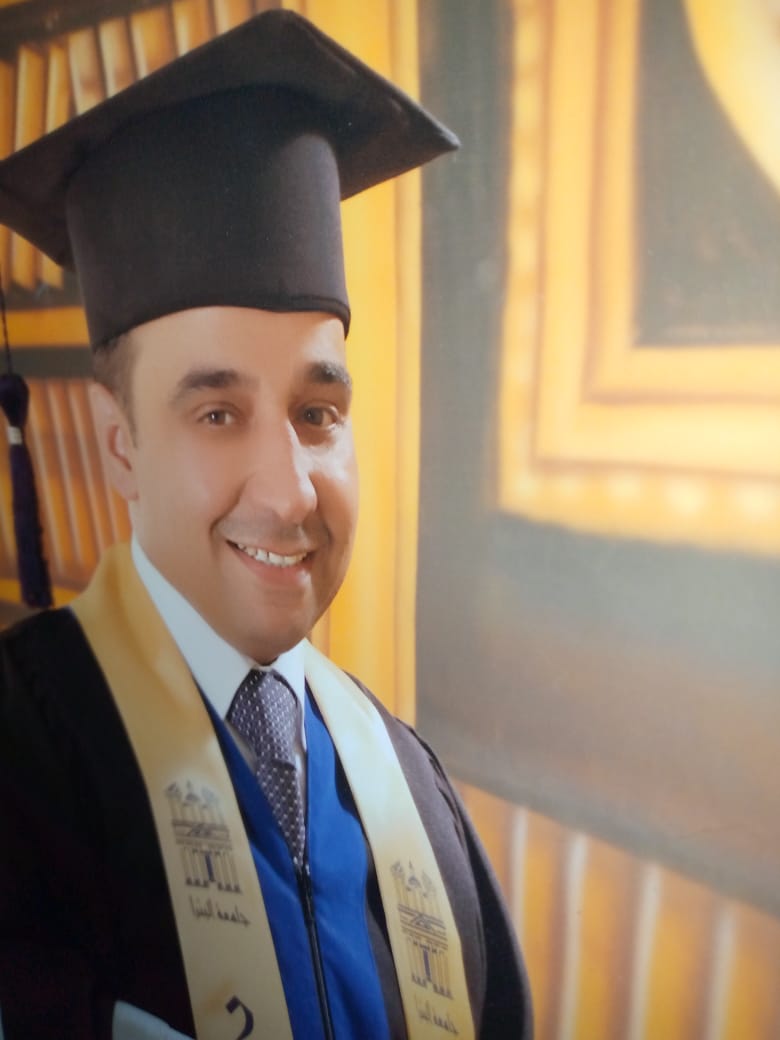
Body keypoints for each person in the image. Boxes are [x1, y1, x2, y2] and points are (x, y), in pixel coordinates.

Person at [0, 11, 532, 1040]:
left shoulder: (409, 786)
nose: (290, 494)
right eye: (217, 413)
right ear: (119, 446)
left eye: (317, 413)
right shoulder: (23, 762)